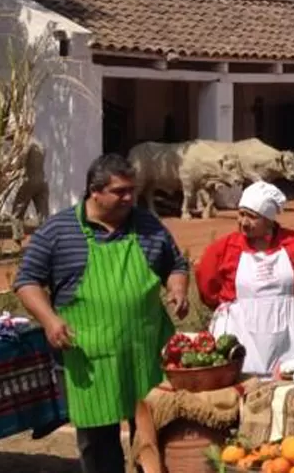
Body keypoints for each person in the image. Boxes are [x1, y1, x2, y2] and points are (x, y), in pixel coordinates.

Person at [13, 153, 190, 473]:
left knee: (154, 431)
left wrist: (177, 289)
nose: (129, 198)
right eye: (120, 191)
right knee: (98, 443)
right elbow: (27, 281)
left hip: (146, 351)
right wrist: (50, 320)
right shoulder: (57, 231)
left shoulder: (147, 224)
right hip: (89, 356)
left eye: (131, 191)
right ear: (94, 191)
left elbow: (175, 264)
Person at [195, 181, 294, 377]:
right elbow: (207, 287)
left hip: (290, 336)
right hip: (239, 333)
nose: (244, 222)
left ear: (269, 220)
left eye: (252, 217)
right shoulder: (223, 249)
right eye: (241, 214)